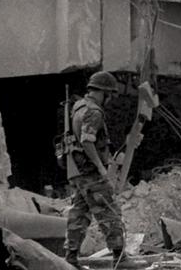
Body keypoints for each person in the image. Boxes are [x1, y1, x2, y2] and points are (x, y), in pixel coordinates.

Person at [63, 71, 126, 269]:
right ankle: (120, 258)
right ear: (104, 93)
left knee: (79, 215)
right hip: (91, 173)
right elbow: (87, 140)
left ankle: (71, 258)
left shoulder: (78, 107)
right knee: (109, 212)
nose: (110, 99)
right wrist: (101, 167)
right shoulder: (94, 112)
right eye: (110, 95)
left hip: (78, 172)